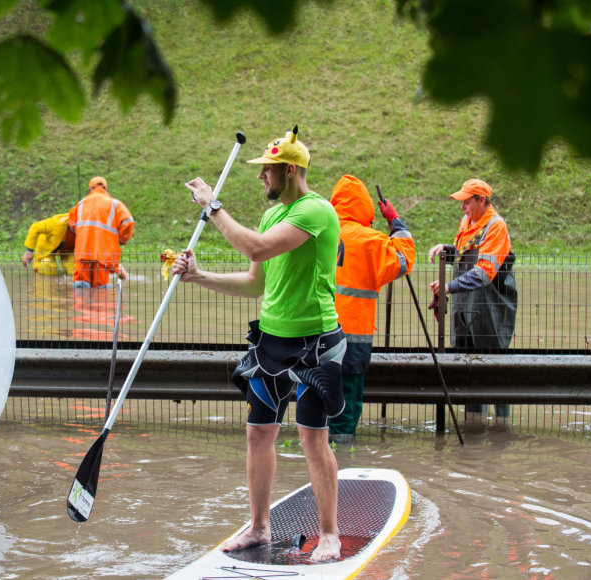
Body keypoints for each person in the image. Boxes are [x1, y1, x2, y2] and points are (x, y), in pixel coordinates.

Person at [172, 126, 345, 562]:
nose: (260, 178)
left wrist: (213, 207)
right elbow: (255, 282)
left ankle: (329, 534)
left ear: (289, 169)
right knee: (257, 434)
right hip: (271, 343)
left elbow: (257, 247)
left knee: (311, 437)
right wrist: (199, 276)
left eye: (266, 171)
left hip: (315, 345)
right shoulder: (272, 215)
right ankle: (259, 528)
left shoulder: (315, 211)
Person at [328, 175, 415, 443]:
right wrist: (396, 222)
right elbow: (403, 260)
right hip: (353, 339)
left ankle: (312, 459)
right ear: (365, 206)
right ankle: (341, 461)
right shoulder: (372, 240)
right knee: (347, 404)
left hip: (313, 333)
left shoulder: (317, 232)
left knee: (315, 400)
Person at [427, 178, 517, 419]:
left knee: (493, 373)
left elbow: (484, 272)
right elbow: (466, 253)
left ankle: (500, 427)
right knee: (468, 371)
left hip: (492, 311)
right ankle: (474, 425)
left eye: (466, 202)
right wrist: (447, 249)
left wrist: (448, 287)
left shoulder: (497, 226)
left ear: (482, 200)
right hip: (465, 309)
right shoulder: (468, 221)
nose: (462, 207)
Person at [67, 176, 135, 289]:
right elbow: (129, 221)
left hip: (82, 255)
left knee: (80, 290)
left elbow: (71, 225)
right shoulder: (115, 204)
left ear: (90, 189)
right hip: (102, 257)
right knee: (100, 294)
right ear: (105, 188)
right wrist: (122, 239)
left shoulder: (80, 204)